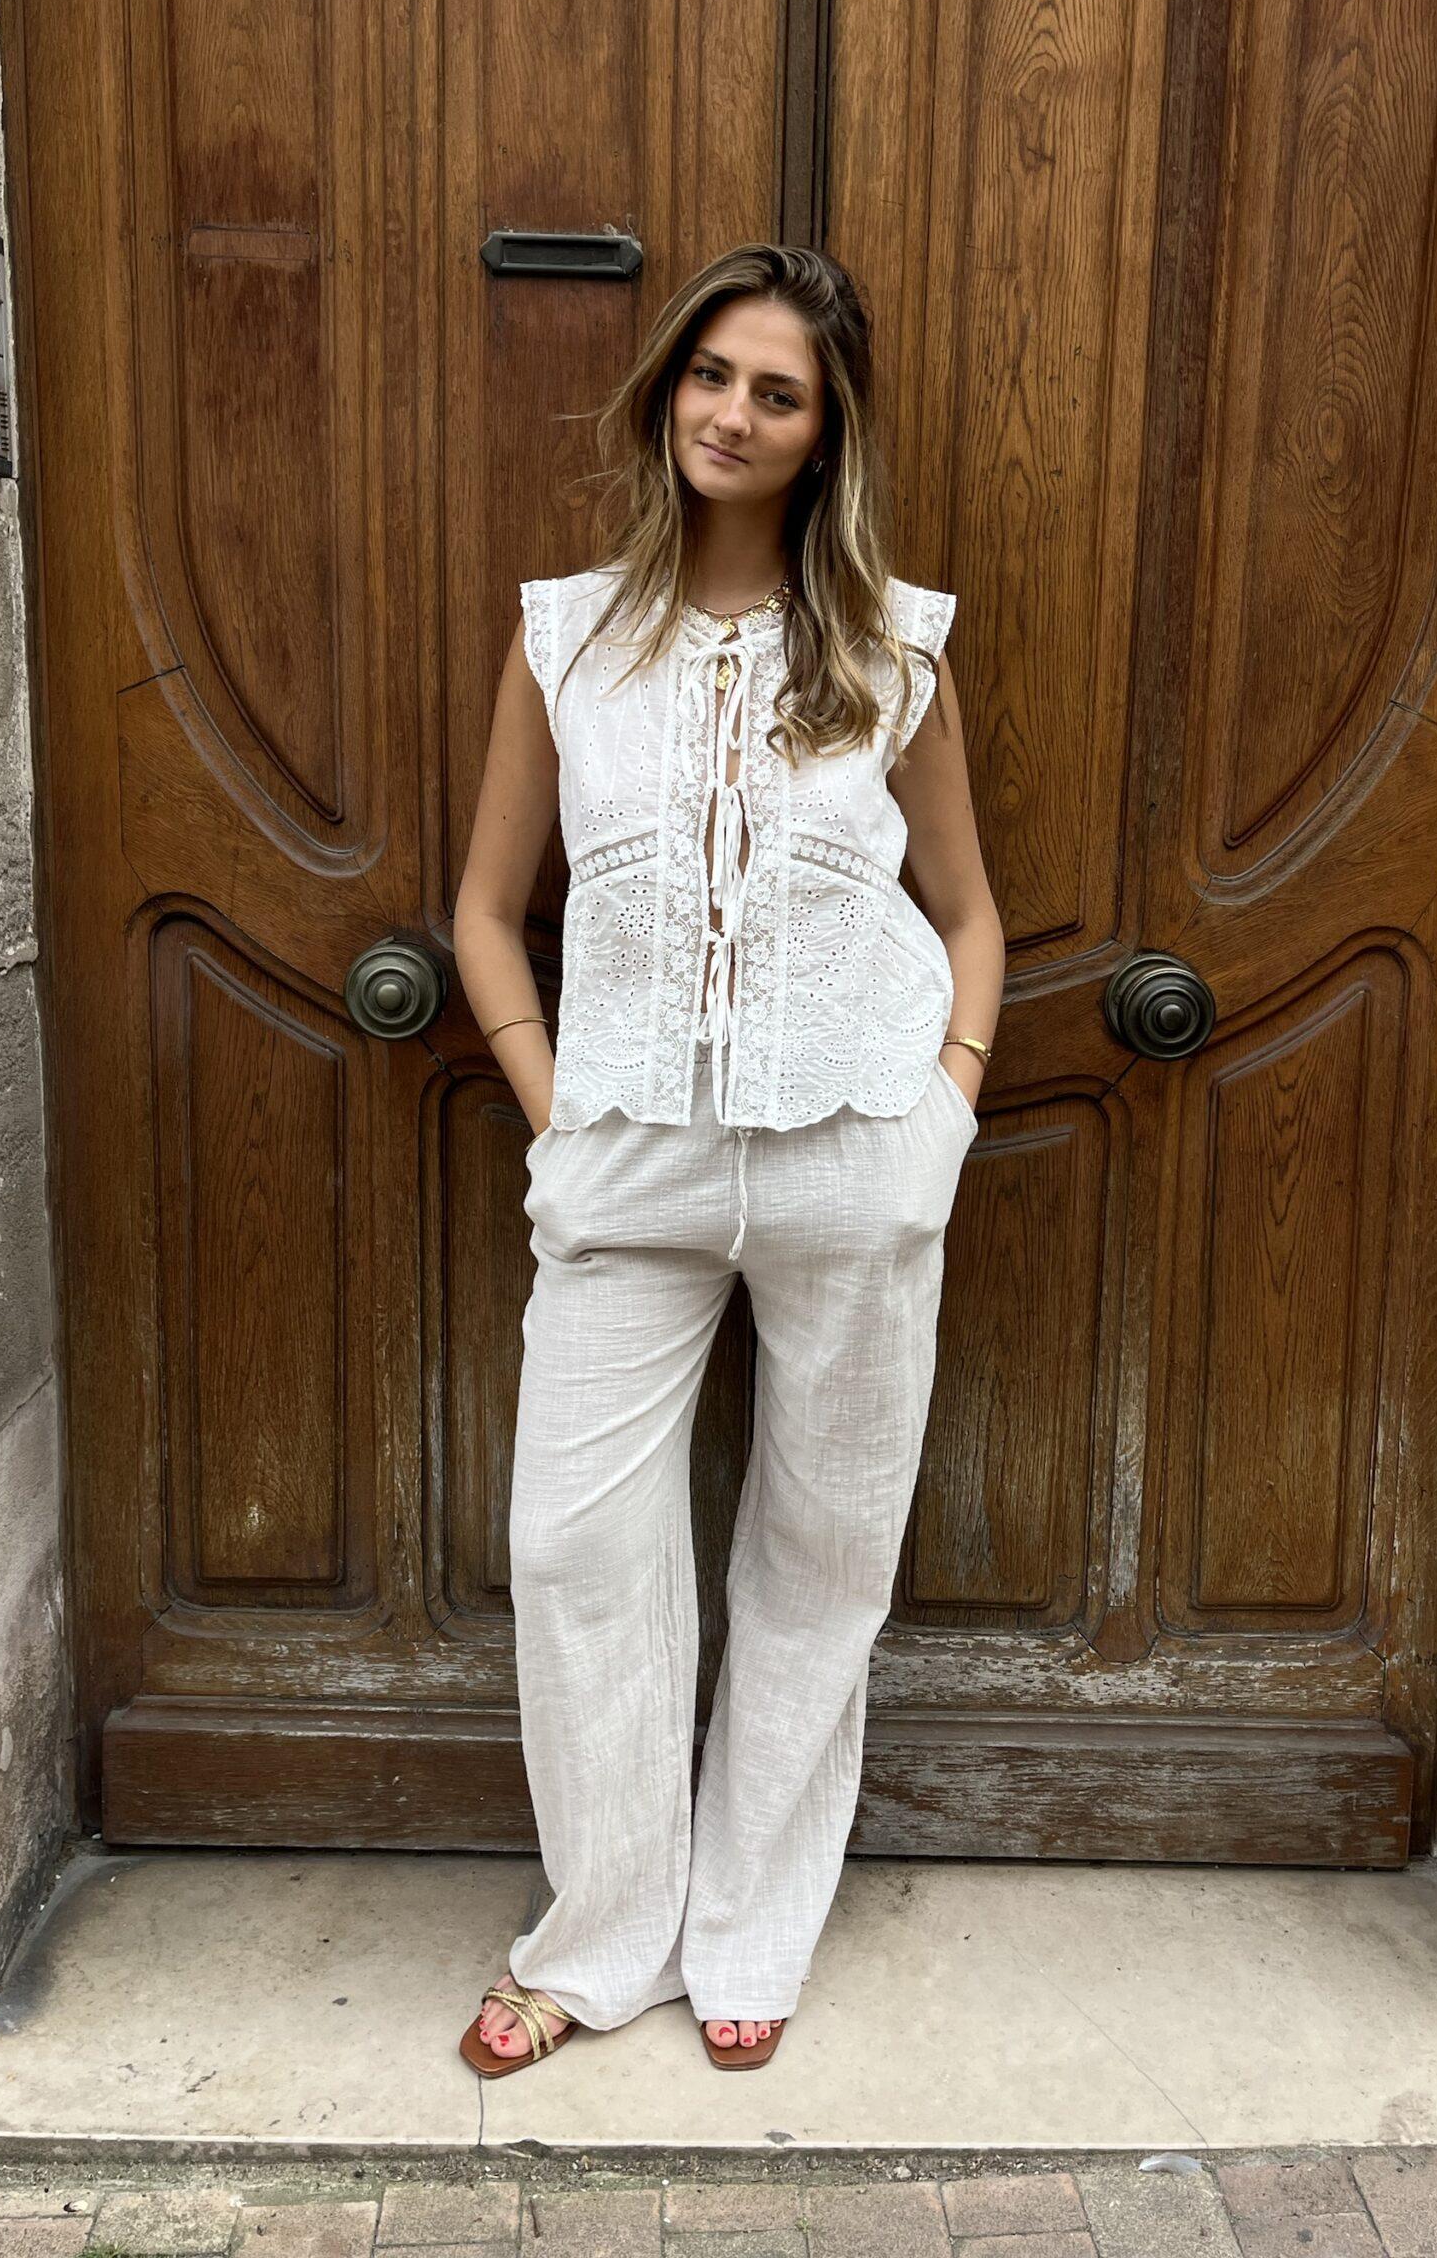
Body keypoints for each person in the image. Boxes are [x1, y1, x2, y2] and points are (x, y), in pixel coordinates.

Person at [450, 242, 1005, 2074]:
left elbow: (972, 914)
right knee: (575, 1551)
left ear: (823, 430)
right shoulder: (569, 638)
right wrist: (556, 1119)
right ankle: (602, 1937)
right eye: (710, 374)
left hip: (857, 1152)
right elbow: (483, 911)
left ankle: (753, 1926)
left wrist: (944, 1111)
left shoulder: (894, 650)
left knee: (823, 1558)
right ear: (667, 389)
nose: (733, 414)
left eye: (777, 392)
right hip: (627, 1162)